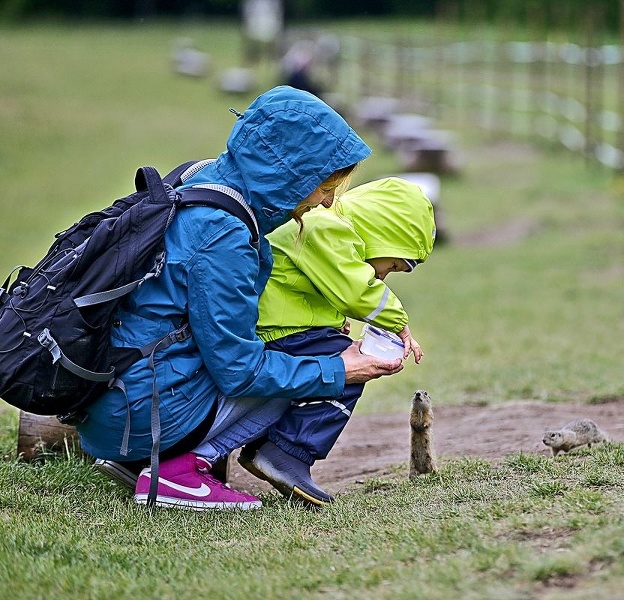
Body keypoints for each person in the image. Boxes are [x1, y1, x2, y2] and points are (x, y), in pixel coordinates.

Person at [79, 86, 403, 511]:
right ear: (290, 172)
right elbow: (239, 371)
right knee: (312, 354)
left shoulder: (202, 177)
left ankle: (147, 459)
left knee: (292, 352)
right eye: (323, 185)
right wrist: (338, 369)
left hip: (109, 398)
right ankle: (177, 473)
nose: (327, 200)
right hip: (137, 414)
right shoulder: (224, 233)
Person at [239, 176, 436, 506]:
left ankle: (262, 444)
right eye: (392, 265)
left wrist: (332, 322)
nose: (383, 276)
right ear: (384, 236)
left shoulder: (327, 226)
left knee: (334, 354)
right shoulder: (325, 227)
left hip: (278, 324)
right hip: (275, 331)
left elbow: (309, 287)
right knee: (350, 367)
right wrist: (399, 324)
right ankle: (285, 452)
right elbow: (357, 292)